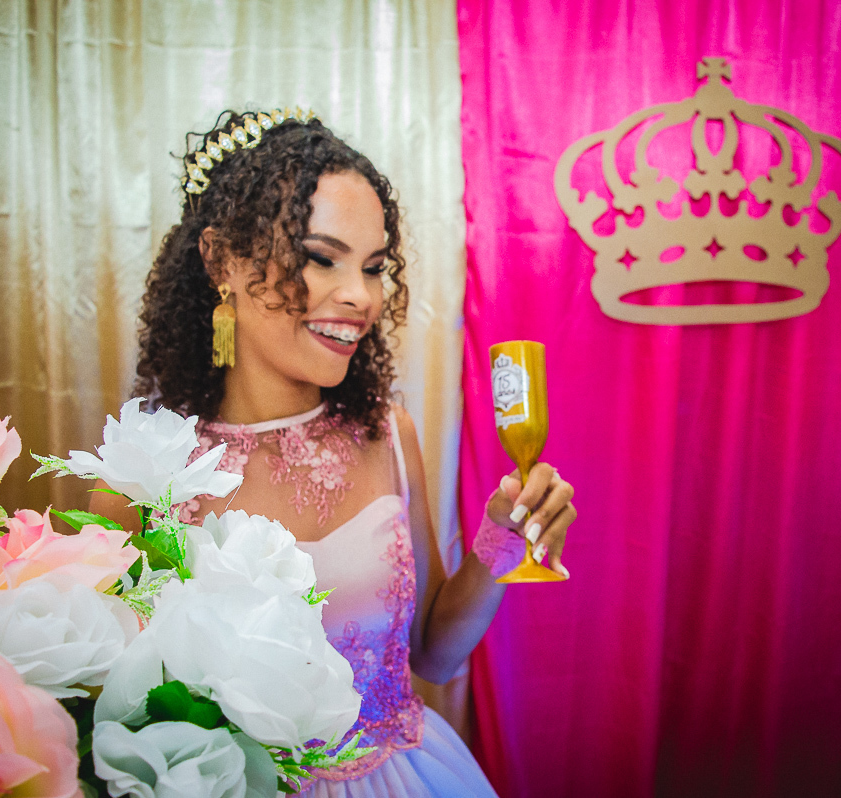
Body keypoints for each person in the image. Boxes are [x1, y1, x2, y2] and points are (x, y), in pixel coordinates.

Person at [92, 109, 576, 797]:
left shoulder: (388, 436)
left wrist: (505, 538)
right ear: (221, 260)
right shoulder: (146, 472)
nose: (360, 296)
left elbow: (434, 656)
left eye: (374, 268)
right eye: (322, 258)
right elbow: (112, 705)